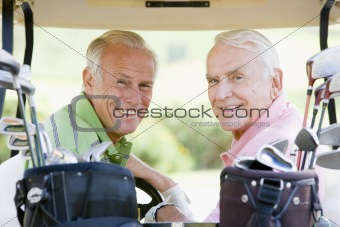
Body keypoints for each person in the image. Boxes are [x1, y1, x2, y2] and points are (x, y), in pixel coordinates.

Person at [145, 29, 314, 223]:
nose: (220, 94)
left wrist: (163, 213)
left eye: (237, 77)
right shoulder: (291, 119)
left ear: (275, 82)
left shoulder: (262, 150)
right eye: (213, 80)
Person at [43, 30, 192, 219]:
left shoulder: (86, 128)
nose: (135, 98)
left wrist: (163, 182)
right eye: (122, 82)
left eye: (144, 85)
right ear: (90, 80)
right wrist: (157, 214)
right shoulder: (72, 150)